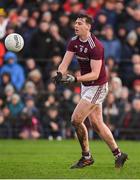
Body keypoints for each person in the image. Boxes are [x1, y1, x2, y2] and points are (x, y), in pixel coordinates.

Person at [52, 14, 128, 169]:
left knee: (75, 119)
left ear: (88, 26)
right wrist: (60, 74)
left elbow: (95, 73)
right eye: (75, 23)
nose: (76, 25)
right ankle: (119, 154)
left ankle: (86, 157)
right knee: (97, 124)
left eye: (80, 23)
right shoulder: (74, 41)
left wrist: (74, 79)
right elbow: (64, 63)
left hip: (97, 86)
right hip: (87, 86)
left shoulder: (96, 46)